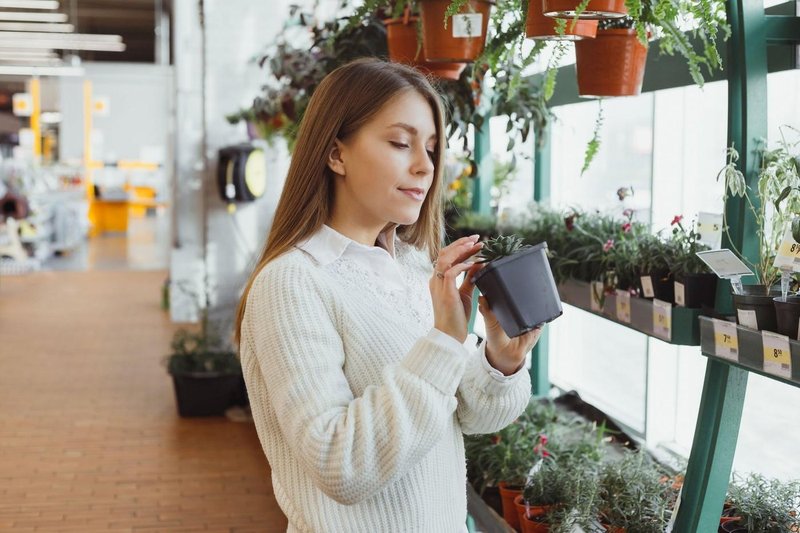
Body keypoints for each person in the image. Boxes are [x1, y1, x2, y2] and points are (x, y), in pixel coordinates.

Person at [235, 58, 542, 533]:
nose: (425, 166)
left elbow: (474, 417)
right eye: (400, 143)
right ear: (336, 154)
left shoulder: (415, 266)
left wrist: (501, 361)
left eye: (433, 148)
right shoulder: (293, 282)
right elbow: (341, 466)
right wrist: (443, 340)